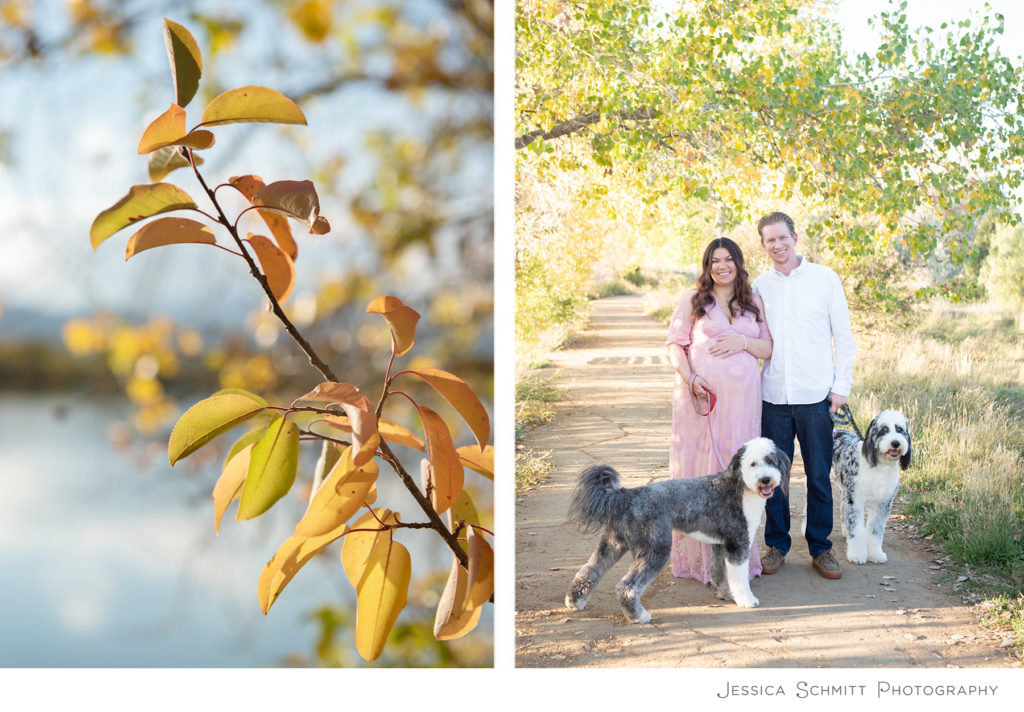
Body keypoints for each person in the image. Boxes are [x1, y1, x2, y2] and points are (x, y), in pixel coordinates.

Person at [752, 211, 856, 580]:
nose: (777, 245)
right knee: (773, 478)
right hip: (773, 399)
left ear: (795, 238)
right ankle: (776, 545)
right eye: (770, 240)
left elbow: (844, 337)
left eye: (783, 237)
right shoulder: (759, 286)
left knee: (818, 477)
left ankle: (821, 548)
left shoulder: (825, 279)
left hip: (816, 398)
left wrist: (841, 387)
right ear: (763, 245)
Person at [666, 237, 773, 584]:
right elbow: (675, 344)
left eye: (728, 259)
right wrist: (690, 378)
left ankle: (737, 560)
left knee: (740, 472)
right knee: (703, 473)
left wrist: (743, 342)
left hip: (743, 405)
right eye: (715, 260)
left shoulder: (752, 300)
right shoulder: (694, 299)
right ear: (707, 266)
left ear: (738, 263)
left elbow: (768, 348)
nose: (722, 266)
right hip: (702, 402)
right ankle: (698, 562)